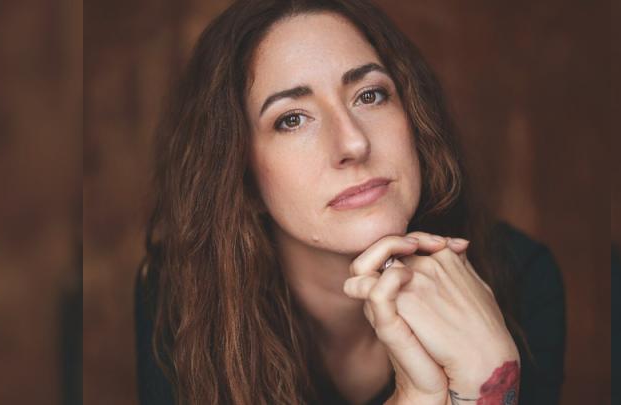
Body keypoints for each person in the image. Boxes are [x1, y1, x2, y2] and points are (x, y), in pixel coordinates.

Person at [134, 1, 566, 404]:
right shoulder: (183, 294)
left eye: (370, 95)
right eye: (292, 119)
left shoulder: (522, 277)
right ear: (241, 178)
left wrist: (486, 381)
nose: (354, 142)